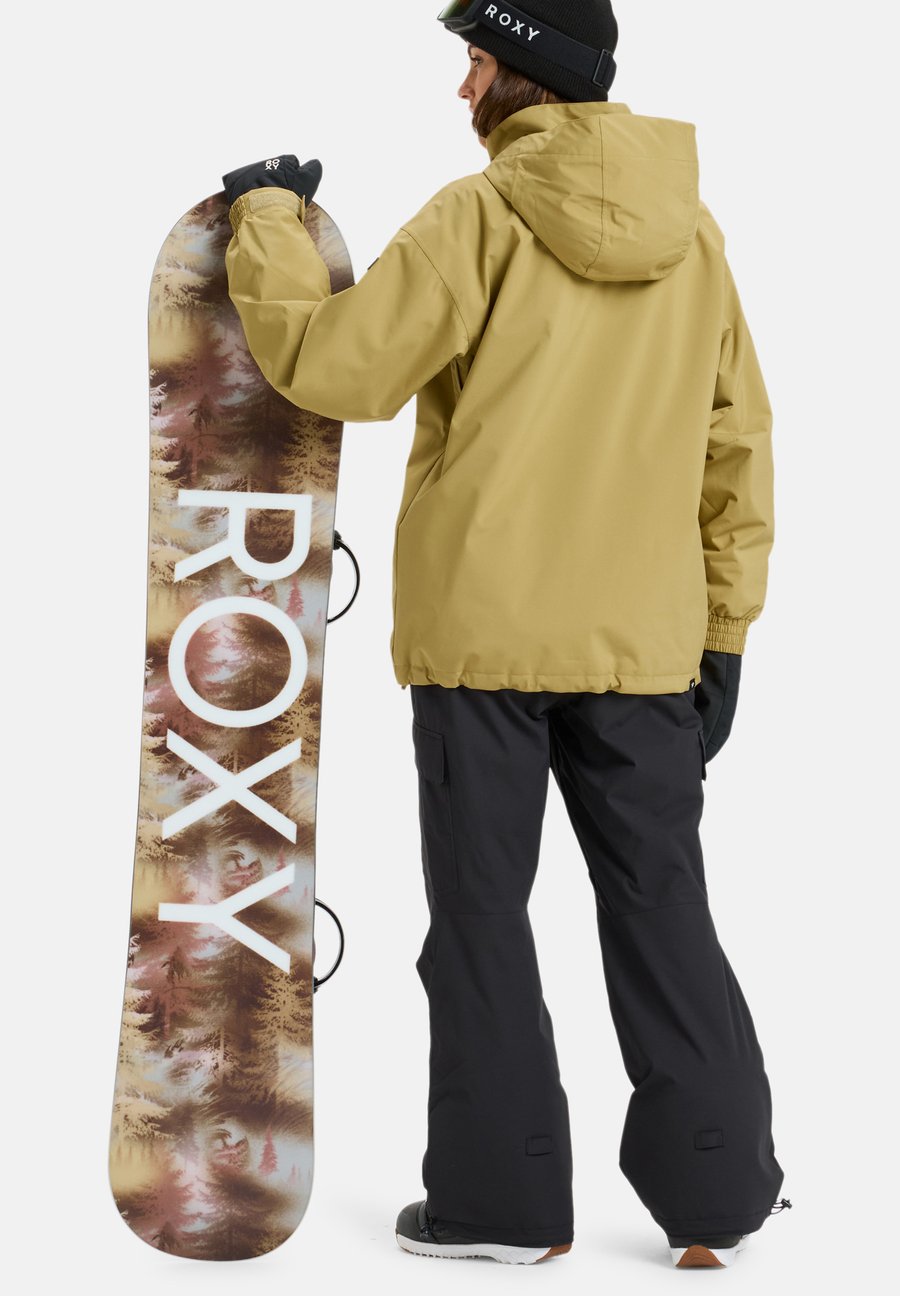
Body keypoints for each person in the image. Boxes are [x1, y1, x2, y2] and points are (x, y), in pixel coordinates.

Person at [221, 0, 790, 1270]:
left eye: (475, 61)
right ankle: (715, 1197)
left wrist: (264, 218)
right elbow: (736, 446)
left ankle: (501, 1206)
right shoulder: (693, 237)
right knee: (662, 906)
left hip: (482, 639)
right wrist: (726, 634)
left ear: (525, 73)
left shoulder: (477, 219)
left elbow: (338, 368)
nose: (462, 87)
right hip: (644, 643)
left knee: (481, 915)